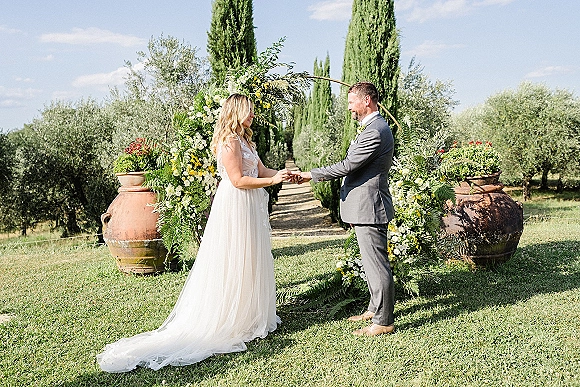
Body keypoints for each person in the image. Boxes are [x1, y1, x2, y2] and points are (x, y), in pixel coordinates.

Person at [97, 94, 291, 372]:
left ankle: (250, 314)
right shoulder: (229, 142)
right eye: (247, 111)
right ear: (235, 112)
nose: (252, 116)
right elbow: (237, 180)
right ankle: (230, 316)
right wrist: (271, 181)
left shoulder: (246, 140)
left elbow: (260, 170)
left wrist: (283, 174)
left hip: (251, 204)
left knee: (251, 256)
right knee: (234, 256)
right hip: (236, 204)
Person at [298, 82, 395, 336]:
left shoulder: (375, 131)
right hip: (364, 207)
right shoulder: (372, 127)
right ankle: (375, 308)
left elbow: (349, 165)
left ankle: (384, 321)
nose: (349, 106)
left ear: (367, 101)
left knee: (377, 264)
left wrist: (311, 175)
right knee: (370, 261)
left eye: (352, 101)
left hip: (370, 207)